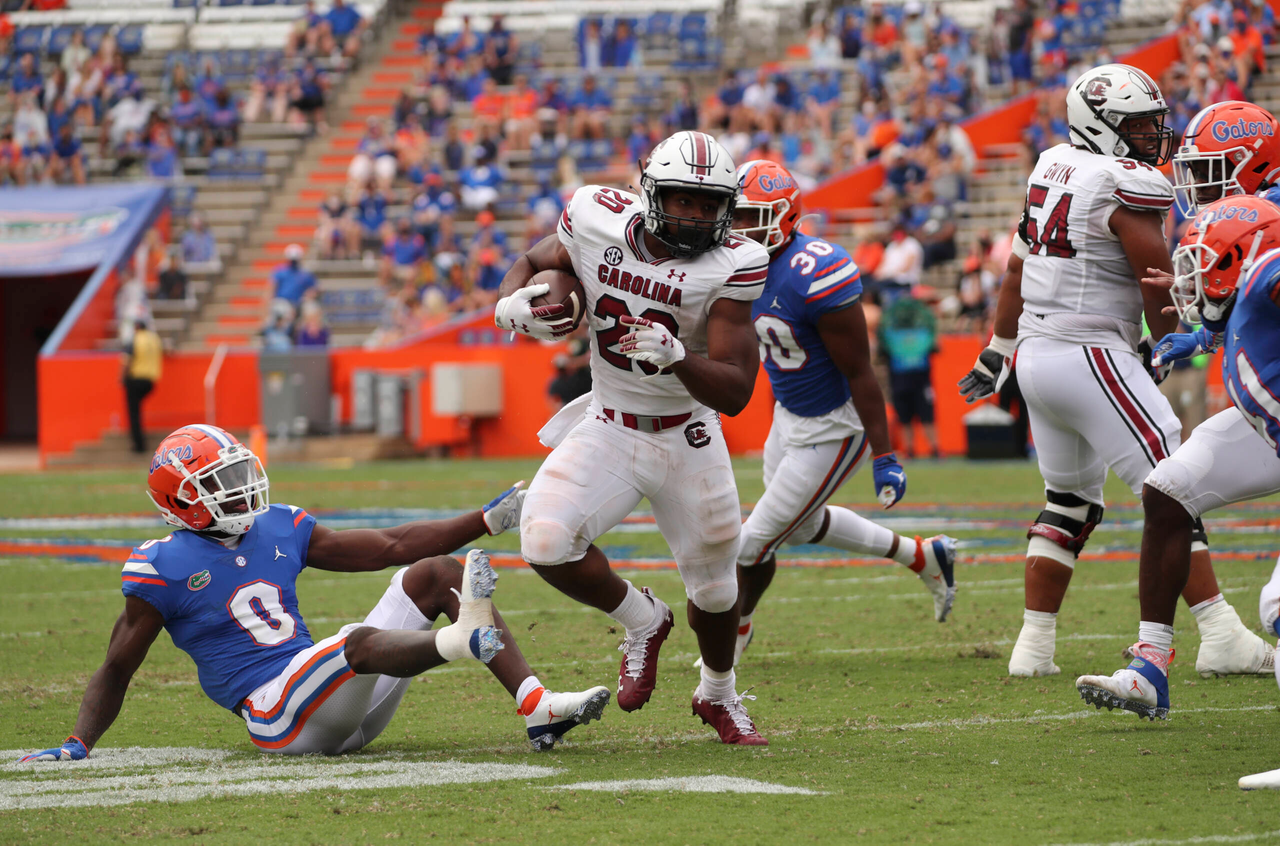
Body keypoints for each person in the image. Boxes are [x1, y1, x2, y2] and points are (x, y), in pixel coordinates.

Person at [16, 425, 610, 762]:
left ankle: (535, 705)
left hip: (340, 702)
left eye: (237, 472)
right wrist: (77, 741)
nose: (241, 489)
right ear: (181, 502)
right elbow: (117, 665)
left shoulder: (276, 525)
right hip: (276, 717)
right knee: (356, 641)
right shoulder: (162, 567)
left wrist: (485, 519)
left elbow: (390, 546)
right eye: (218, 483)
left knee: (434, 572)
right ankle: (460, 641)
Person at [956, 64, 1262, 681]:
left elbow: (1016, 268)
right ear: (1100, 125)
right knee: (1176, 484)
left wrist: (999, 347)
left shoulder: (1052, 167)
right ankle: (1220, 632)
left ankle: (1033, 648)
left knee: (1068, 503)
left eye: (1154, 124)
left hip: (1038, 358)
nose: (1153, 137)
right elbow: (1156, 282)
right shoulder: (1125, 181)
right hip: (1091, 353)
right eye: (1139, 126)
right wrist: (1173, 339)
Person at [494, 132, 771, 745]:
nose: (695, 217)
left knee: (717, 589)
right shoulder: (596, 216)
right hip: (610, 424)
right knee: (543, 538)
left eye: (709, 205)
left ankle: (718, 694)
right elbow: (542, 260)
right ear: (649, 191)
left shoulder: (737, 263)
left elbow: (734, 391)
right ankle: (643, 620)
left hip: (687, 434)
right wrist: (513, 296)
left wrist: (677, 358)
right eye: (682, 200)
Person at [718, 160, 956, 670]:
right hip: (789, 415)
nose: (739, 227)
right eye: (735, 216)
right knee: (798, 528)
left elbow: (861, 372)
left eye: (751, 217)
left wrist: (885, 453)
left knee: (750, 544)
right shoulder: (736, 263)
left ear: (785, 216)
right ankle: (922, 556)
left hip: (834, 425)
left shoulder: (816, 271)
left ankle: (734, 635)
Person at [1077, 199, 1280, 721]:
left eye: (1204, 263)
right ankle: (1149, 668)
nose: (1190, 279)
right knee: (1167, 489)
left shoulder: (1271, 273)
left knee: (1276, 607)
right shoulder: (1254, 279)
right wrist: (1199, 336)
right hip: (1264, 429)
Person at [880, 291, 940, 459]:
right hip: (908, 380)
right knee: (908, 417)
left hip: (912, 380)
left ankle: (930, 449)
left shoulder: (891, 330)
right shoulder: (918, 331)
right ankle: (914, 450)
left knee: (922, 417)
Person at [121, 320, 162, 454]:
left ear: (136, 328)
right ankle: (140, 442)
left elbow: (127, 360)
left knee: (134, 413)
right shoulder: (154, 339)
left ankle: (139, 445)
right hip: (150, 381)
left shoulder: (135, 339)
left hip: (135, 379)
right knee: (137, 411)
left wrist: (122, 377)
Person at [269, 244, 317, 312]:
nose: (293, 262)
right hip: (282, 303)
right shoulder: (280, 271)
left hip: (298, 304)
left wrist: (306, 297)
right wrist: (270, 301)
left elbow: (313, 289)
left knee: (310, 307)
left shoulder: (305, 274)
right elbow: (272, 287)